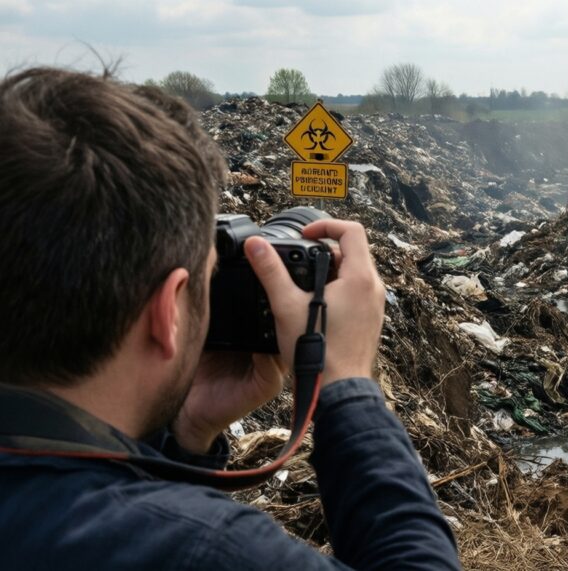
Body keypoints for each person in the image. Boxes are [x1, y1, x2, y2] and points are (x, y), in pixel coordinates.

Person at [0, 67, 461, 570]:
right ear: (167, 312)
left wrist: (184, 439)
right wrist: (347, 384)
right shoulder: (207, 549)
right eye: (207, 279)